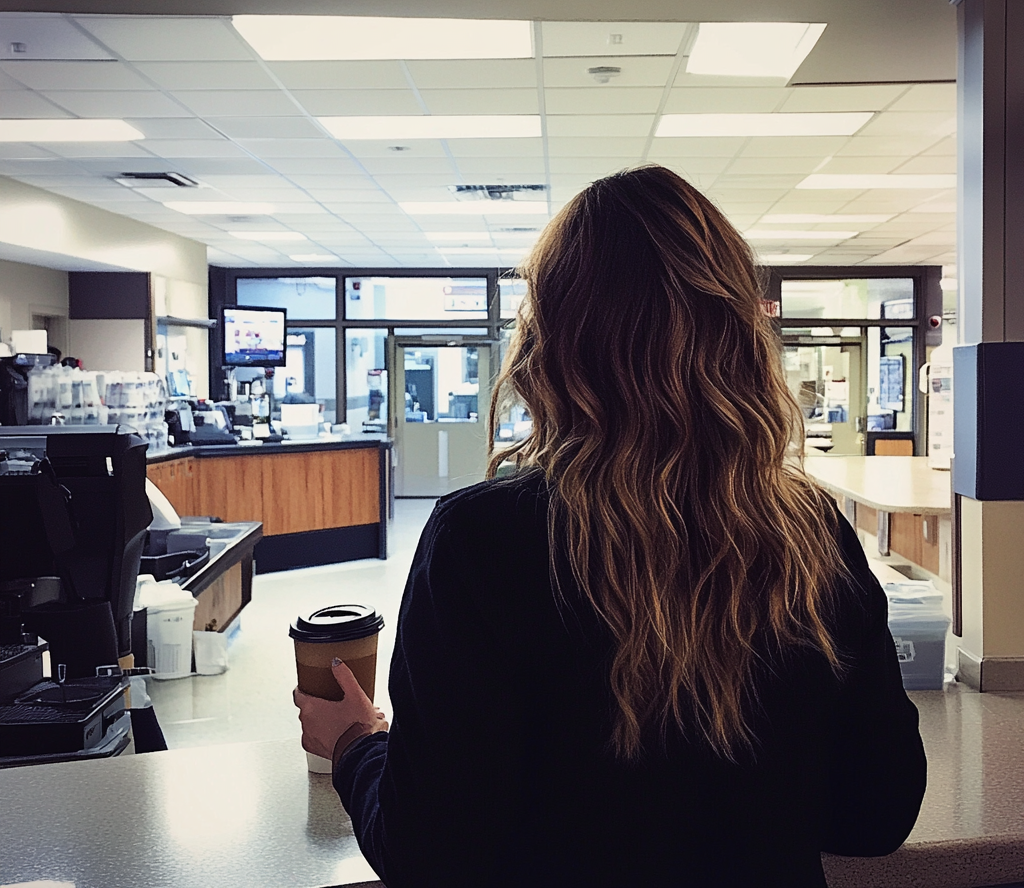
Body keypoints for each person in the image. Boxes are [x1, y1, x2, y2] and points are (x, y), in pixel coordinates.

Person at [294, 165, 927, 888]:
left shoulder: (481, 543)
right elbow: (875, 815)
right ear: (738, 335)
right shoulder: (811, 534)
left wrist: (355, 745)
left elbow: (432, 854)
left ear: (552, 345)